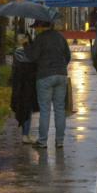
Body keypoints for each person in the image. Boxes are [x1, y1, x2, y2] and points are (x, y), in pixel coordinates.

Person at [27, 19, 70, 149]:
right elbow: (68, 56)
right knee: (60, 109)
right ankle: (60, 141)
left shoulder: (40, 39)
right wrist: (60, 67)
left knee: (45, 109)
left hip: (45, 76)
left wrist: (25, 45)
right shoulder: (60, 37)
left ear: (40, 26)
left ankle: (43, 141)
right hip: (61, 75)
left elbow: (32, 57)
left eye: (36, 26)